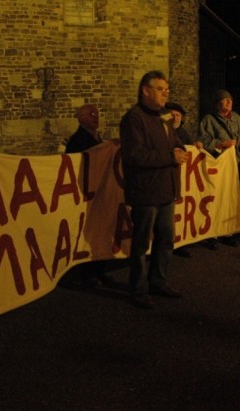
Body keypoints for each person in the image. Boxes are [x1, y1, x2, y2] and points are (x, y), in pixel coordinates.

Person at [119, 70, 188, 309]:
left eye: (167, 90)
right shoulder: (133, 119)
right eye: (160, 89)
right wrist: (170, 156)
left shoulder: (165, 116)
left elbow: (175, 142)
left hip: (166, 190)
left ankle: (158, 281)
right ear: (145, 91)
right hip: (146, 192)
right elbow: (135, 155)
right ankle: (137, 289)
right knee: (140, 244)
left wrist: (179, 149)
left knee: (165, 239)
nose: (165, 93)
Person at [198, 89, 240, 249]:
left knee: (230, 200)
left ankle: (227, 232)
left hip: (234, 165)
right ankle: (212, 234)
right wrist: (220, 144)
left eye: (230, 99)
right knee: (216, 200)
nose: (228, 102)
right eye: (224, 99)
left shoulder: (236, 118)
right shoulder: (209, 120)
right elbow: (203, 139)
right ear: (217, 103)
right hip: (218, 166)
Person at [65, 104, 120, 287]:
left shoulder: (97, 137)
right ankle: (89, 274)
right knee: (91, 233)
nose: (96, 116)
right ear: (80, 118)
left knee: (103, 232)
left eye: (97, 113)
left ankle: (100, 269)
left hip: (101, 191)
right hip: (89, 193)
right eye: (91, 114)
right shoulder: (77, 140)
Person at [165, 101, 197, 258]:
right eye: (173, 114)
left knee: (182, 212)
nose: (175, 117)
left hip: (184, 180)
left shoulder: (184, 133)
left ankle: (181, 242)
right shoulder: (163, 131)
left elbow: (190, 150)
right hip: (168, 178)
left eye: (178, 115)